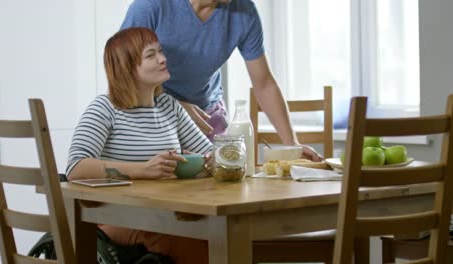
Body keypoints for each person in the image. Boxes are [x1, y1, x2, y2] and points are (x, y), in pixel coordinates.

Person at [66, 27, 211, 263]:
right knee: (192, 242)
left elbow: (209, 154)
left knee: (220, 234)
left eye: (160, 52)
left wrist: (211, 161)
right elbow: (76, 168)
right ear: (127, 67)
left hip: (165, 212)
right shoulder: (105, 108)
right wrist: (142, 170)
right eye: (151, 55)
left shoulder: (168, 106)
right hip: (116, 217)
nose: (163, 59)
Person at [120, 0, 323, 161]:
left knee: (218, 185)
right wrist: (175, 107)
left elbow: (264, 84)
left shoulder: (245, 12)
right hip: (154, 111)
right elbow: (121, 69)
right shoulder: (149, 7)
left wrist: (292, 144)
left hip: (207, 116)